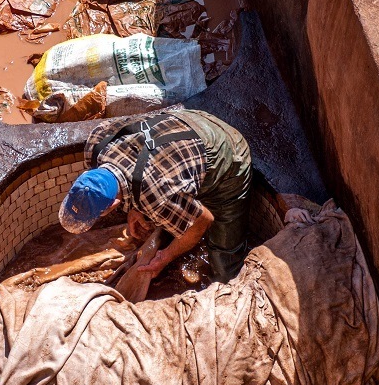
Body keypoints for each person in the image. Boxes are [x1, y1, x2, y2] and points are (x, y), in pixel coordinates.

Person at [58, 108, 252, 283]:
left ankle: (228, 269)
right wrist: (135, 209)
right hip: (188, 121)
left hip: (226, 152)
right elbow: (133, 164)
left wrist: (164, 257)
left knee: (225, 271)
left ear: (112, 205)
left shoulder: (155, 196)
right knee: (165, 212)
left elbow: (203, 221)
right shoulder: (97, 142)